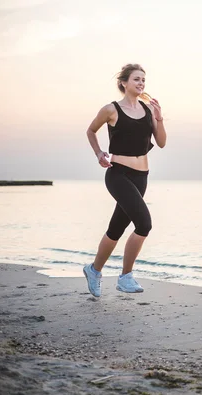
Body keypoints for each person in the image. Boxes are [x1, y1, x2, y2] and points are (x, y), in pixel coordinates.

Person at [83, 63, 167, 297]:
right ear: (123, 83)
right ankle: (126, 276)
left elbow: (161, 143)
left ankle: (94, 270)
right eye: (136, 79)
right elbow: (91, 131)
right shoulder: (111, 109)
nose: (141, 83)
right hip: (118, 174)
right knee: (144, 223)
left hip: (142, 176)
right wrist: (99, 153)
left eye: (143, 80)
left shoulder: (148, 111)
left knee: (116, 228)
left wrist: (159, 119)